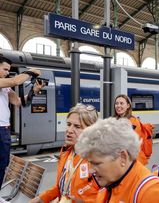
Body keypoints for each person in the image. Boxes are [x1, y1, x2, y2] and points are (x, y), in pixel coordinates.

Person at [75, 117, 159, 203]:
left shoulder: (151, 194)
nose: (91, 171)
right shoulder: (108, 187)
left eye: (96, 163)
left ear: (123, 157)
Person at [30, 104, 100, 203]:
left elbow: (106, 197)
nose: (69, 130)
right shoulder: (67, 152)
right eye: (68, 124)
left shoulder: (97, 158)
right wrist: (41, 198)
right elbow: (63, 186)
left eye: (77, 126)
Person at [0, 55, 43, 188]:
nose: (7, 73)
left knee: (2, 164)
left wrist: (34, 91)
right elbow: (15, 81)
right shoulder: (6, 82)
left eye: (8, 70)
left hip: (4, 130)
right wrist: (30, 71)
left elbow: (19, 102)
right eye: (5, 69)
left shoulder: (5, 87)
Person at [113, 94, 152, 165]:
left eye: (121, 103)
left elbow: (131, 145)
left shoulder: (134, 122)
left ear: (128, 106)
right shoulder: (114, 121)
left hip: (132, 161)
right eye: (116, 103)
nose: (118, 106)